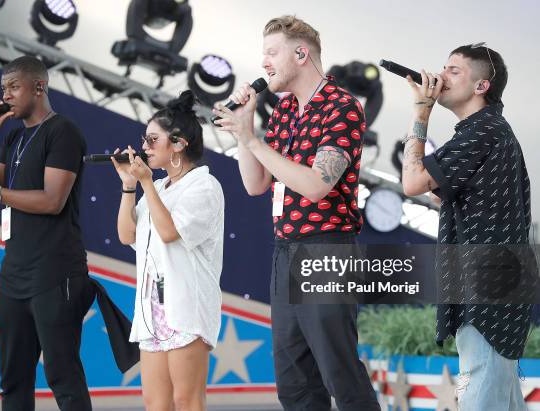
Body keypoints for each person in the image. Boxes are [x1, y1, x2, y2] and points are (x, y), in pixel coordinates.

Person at [212, 15, 380, 411]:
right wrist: (245, 128)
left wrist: (252, 140)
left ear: (301, 54)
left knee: (338, 372)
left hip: (326, 250)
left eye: (272, 52)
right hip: (285, 250)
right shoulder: (284, 110)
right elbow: (256, 185)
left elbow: (316, 185)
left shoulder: (342, 107)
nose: (265, 62)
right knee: (294, 381)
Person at [0, 56, 94, 411]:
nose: (6, 95)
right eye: (3, 89)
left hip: (56, 272)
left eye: (14, 87)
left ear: (38, 87)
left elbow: (52, 200)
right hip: (14, 273)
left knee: (64, 377)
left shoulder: (64, 132)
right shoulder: (13, 136)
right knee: (13, 380)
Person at [399, 44, 532, 410]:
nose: (441, 76)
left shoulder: (483, 130)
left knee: (481, 390)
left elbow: (412, 183)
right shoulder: (486, 131)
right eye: (443, 66)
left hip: (488, 286)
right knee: (500, 395)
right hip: (496, 283)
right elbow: (447, 199)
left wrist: (421, 112)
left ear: (481, 86)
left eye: (454, 70)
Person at [112, 90, 224, 411]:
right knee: (156, 403)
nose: (144, 147)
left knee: (186, 400)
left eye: (151, 140)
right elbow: (126, 234)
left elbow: (170, 232)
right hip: (152, 308)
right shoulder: (159, 187)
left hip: (186, 306)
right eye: (144, 140)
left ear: (178, 144)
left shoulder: (204, 186)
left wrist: (146, 183)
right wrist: (129, 185)